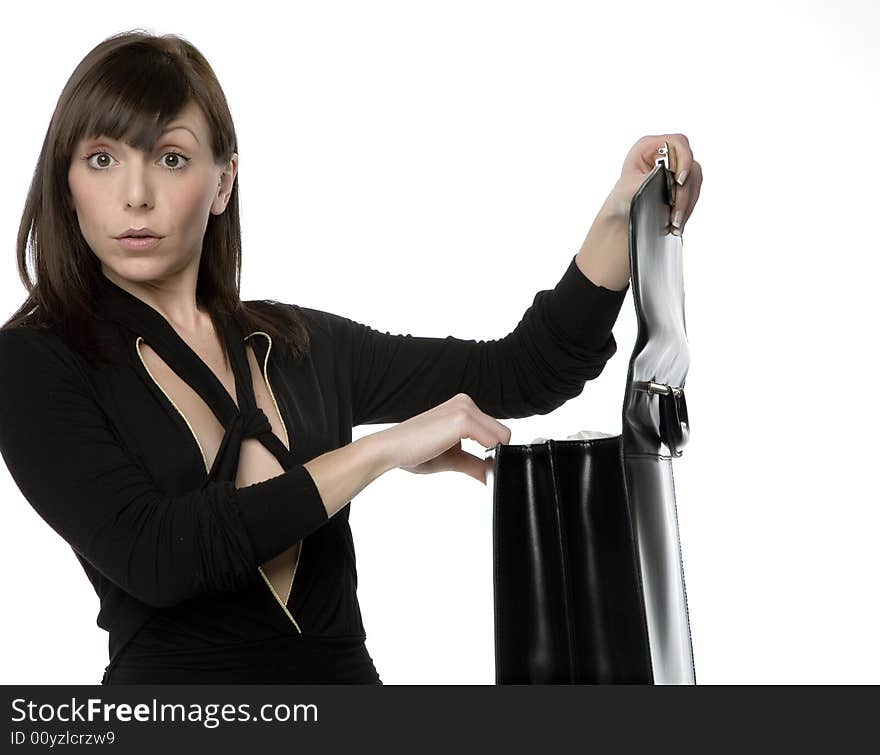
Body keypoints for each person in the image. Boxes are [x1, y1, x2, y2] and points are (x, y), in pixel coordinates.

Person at [0, 30, 701, 684]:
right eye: (102, 159)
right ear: (66, 183)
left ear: (222, 183)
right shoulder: (36, 363)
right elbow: (159, 556)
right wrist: (379, 452)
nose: (135, 195)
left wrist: (619, 217)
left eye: (171, 157)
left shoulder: (300, 345)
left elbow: (527, 368)